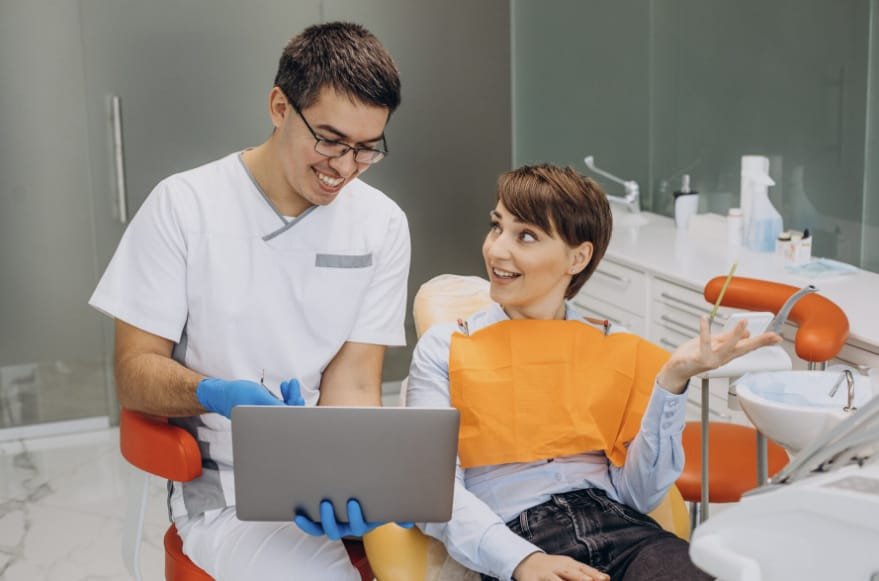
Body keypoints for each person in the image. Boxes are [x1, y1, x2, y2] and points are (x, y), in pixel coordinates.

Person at [89, 22, 409, 580]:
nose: (343, 167)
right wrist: (213, 393)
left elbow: (355, 384)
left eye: (365, 150)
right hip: (228, 491)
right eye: (330, 140)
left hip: (322, 472)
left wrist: (347, 480)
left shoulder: (381, 222)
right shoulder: (185, 206)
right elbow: (133, 373)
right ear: (279, 107)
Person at [406, 164, 782, 581]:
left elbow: (638, 494)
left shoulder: (613, 347)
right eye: (497, 228)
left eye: (525, 235)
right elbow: (432, 492)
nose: (496, 250)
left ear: (578, 257)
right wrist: (521, 561)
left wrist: (672, 381)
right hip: (520, 536)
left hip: (626, 529)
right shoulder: (446, 348)